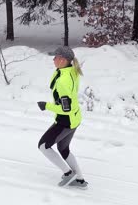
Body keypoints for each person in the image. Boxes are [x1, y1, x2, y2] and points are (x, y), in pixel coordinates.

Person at [37, 46, 88, 189]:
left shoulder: (63, 81)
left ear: (63, 60)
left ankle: (68, 174)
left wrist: (46, 106)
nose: (53, 59)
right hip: (75, 118)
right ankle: (80, 180)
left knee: (43, 146)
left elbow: (66, 108)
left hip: (65, 121)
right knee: (63, 148)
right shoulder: (71, 70)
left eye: (56, 57)